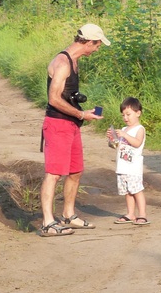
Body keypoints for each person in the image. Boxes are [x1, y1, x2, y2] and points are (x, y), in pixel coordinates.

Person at [39, 23, 110, 237]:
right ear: (88, 43)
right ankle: (47, 223)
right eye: (97, 45)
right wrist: (81, 114)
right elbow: (53, 99)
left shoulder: (75, 61)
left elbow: (66, 96)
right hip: (57, 125)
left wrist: (81, 113)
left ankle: (69, 215)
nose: (97, 49)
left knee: (76, 171)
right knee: (53, 174)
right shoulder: (62, 63)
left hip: (71, 124)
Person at [107, 97, 148, 225]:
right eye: (123, 115)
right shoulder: (124, 130)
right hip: (122, 167)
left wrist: (124, 136)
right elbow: (115, 145)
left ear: (138, 113)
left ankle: (142, 214)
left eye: (128, 114)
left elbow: (137, 143)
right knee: (128, 192)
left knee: (137, 191)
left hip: (133, 168)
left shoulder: (139, 129)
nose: (126, 118)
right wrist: (112, 138)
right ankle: (130, 213)